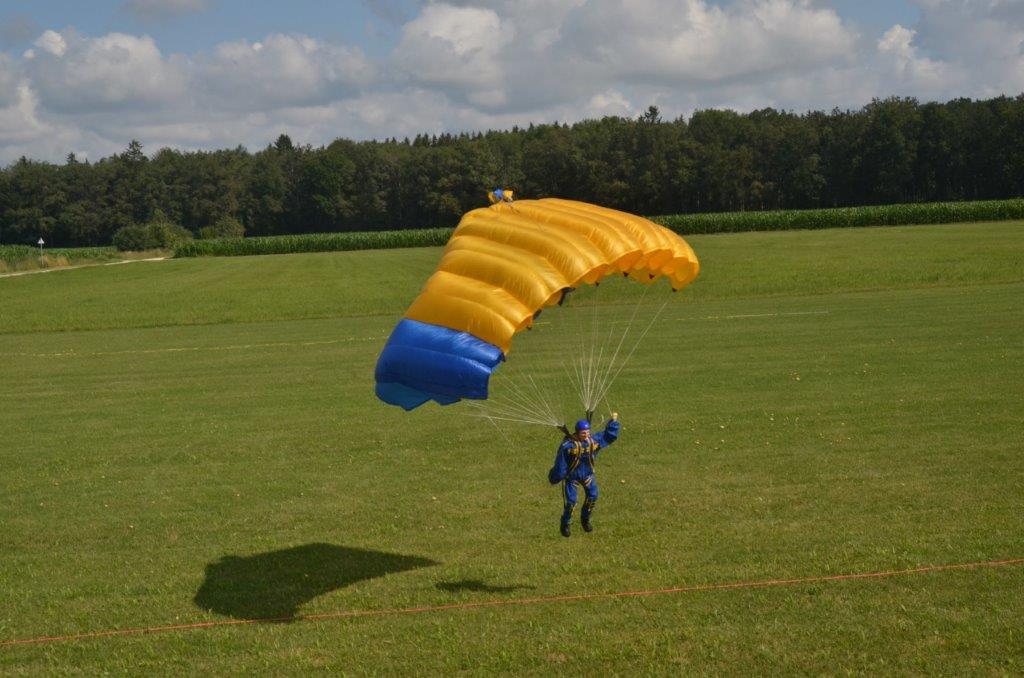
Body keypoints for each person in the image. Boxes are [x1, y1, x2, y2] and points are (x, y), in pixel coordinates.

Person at [548, 413, 620, 537]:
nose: (586, 434)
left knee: (593, 496)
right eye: (583, 433)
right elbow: (561, 463)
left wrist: (613, 423)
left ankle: (585, 519)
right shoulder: (568, 446)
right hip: (572, 478)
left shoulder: (593, 441)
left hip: (587, 475)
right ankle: (565, 523)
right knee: (571, 502)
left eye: (587, 432)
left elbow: (607, 436)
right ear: (577, 432)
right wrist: (556, 477)